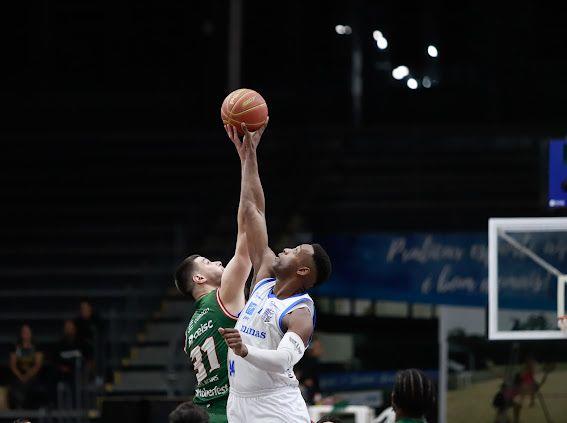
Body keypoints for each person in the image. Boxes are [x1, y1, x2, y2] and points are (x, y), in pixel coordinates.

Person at [219, 120, 332, 423]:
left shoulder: (300, 314)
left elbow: (283, 360)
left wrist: (245, 351)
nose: (286, 249)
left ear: (303, 270)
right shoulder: (265, 277)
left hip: (275, 406)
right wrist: (248, 156)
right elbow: (252, 211)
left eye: (295, 251)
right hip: (239, 401)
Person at [173, 125, 254, 423]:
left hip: (202, 413)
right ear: (198, 279)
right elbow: (246, 232)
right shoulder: (224, 297)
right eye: (207, 261)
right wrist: (247, 160)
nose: (217, 261)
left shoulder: (190, 329)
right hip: (231, 412)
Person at [9, 324, 44, 409]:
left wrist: (27, 376)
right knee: (17, 386)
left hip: (32, 375)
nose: (26, 334)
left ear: (31, 333)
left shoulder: (37, 347)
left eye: (28, 332)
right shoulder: (15, 347)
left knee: (32, 386)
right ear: (21, 334)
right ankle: (19, 409)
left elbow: (38, 365)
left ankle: (30, 409)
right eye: (24, 332)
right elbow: (12, 365)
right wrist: (21, 376)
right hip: (19, 375)